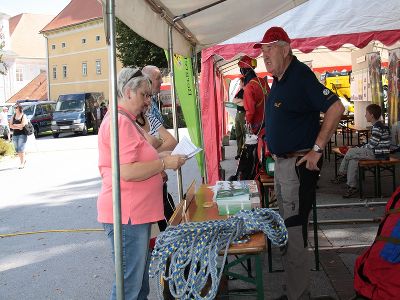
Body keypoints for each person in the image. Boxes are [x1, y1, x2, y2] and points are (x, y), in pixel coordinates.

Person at [255, 26, 344, 300]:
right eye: (263, 50)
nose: (265, 55)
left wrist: (317, 149)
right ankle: (293, 290)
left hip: (296, 167)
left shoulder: (300, 76)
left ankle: (298, 295)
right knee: (286, 231)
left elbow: (336, 107)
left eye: (270, 48)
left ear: (285, 48)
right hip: (283, 167)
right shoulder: (280, 79)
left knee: (293, 233)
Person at [97, 67, 186, 300]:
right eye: (144, 95)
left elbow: (136, 159)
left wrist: (163, 158)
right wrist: (164, 164)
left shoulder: (127, 121)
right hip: (129, 215)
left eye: (149, 95)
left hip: (136, 214)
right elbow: (127, 171)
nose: (148, 101)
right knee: (129, 288)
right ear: (128, 92)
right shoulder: (120, 122)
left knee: (138, 288)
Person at [334, 104, 391, 198]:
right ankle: (352, 186)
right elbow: (372, 144)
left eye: (366, 113)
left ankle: (342, 173)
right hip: (378, 152)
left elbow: (372, 145)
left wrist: (359, 148)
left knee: (351, 152)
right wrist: (361, 148)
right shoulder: (378, 126)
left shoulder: (377, 127)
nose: (365, 115)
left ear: (371, 115)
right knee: (353, 159)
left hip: (378, 154)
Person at [238, 55, 270, 136]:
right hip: (269, 123)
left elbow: (250, 111)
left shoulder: (249, 87)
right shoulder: (263, 82)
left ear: (243, 70)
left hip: (257, 127)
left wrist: (247, 123)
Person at [10, 104, 29, 169]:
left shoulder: (23, 115)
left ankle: (22, 163)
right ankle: (23, 160)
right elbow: (10, 126)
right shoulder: (13, 116)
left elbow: (23, 124)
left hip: (22, 134)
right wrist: (18, 126)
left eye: (16, 107)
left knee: (21, 148)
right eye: (14, 107)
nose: (15, 108)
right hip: (15, 134)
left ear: (19, 108)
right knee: (17, 149)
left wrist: (15, 125)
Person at [232, 77, 246, 159]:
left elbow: (245, 103)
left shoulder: (246, 91)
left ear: (243, 82)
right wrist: (240, 101)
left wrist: (240, 101)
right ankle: (239, 153)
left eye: (240, 82)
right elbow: (233, 101)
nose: (239, 84)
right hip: (238, 114)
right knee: (238, 134)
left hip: (243, 114)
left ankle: (244, 153)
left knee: (244, 134)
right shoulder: (240, 91)